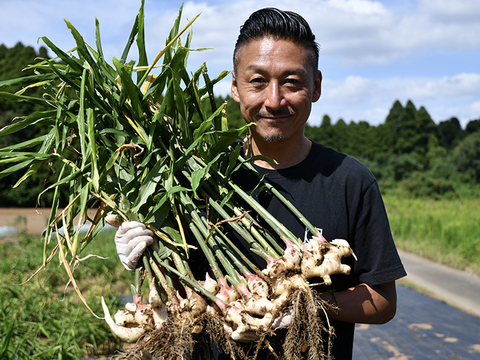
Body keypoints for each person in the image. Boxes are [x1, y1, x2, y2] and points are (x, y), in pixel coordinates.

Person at [114, 7, 406, 359]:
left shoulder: (349, 180)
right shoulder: (194, 179)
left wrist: (305, 306)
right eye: (257, 81)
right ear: (235, 88)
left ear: (315, 87)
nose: (273, 100)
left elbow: (382, 302)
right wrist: (147, 255)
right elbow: (181, 296)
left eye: (292, 82)